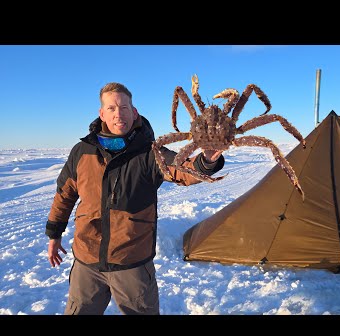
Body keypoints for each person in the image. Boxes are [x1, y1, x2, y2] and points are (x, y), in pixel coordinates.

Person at [45, 82, 224, 315]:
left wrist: (206, 162)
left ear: (134, 111)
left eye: (124, 107)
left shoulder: (151, 153)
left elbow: (181, 170)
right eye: (111, 108)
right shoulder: (82, 151)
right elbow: (64, 195)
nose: (118, 113)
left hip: (132, 264)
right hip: (87, 261)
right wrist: (54, 234)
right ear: (102, 113)